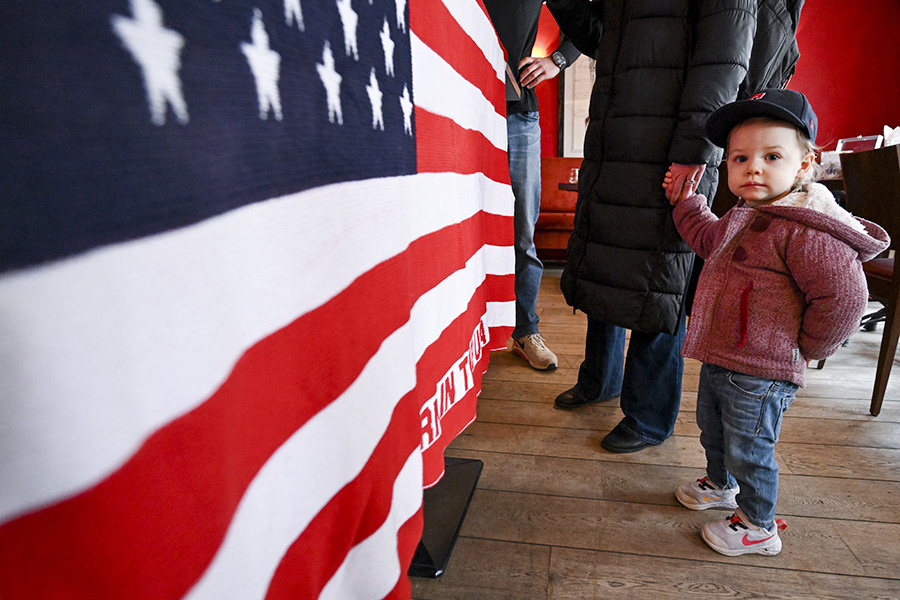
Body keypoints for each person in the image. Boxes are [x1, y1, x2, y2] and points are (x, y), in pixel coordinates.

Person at [667, 89, 889, 556]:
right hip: (722, 354)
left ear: (805, 165)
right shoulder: (746, 213)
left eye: (772, 156)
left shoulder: (806, 227)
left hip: (763, 368)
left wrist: (804, 347)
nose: (753, 168)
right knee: (714, 427)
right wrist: (687, 205)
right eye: (739, 158)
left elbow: (845, 297)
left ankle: (758, 525)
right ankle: (720, 484)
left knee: (751, 446)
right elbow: (710, 240)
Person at [545, 0, 758, 452]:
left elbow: (725, 53)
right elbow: (600, 38)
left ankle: (648, 414)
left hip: (671, 147)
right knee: (607, 261)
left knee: (660, 279)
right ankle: (600, 379)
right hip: (617, 138)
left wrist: (695, 146)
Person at [482, 1, 580, 370]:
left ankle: (525, 329)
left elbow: (590, 26)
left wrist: (556, 61)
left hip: (517, 116)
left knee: (520, 232)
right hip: (458, 107)